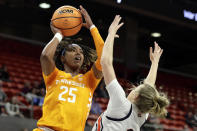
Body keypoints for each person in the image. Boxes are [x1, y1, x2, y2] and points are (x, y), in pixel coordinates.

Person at [92, 15, 169, 131]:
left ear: (136, 95)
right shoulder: (143, 113)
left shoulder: (121, 104)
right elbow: (149, 87)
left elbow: (106, 62)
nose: (133, 88)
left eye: (136, 88)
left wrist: (111, 34)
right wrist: (155, 63)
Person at [33, 5, 104, 131]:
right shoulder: (54, 75)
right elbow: (45, 56)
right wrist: (59, 35)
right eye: (72, 50)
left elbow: (104, 58)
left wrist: (92, 28)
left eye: (81, 52)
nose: (78, 53)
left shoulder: (90, 80)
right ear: (62, 58)